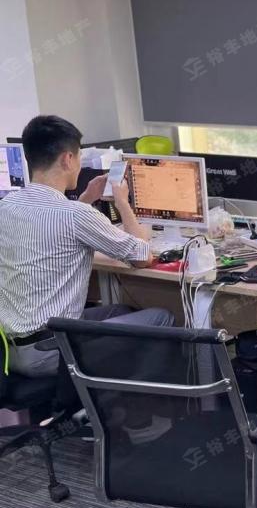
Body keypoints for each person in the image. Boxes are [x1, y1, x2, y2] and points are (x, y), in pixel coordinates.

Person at [0, 115, 174, 377]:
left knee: (121, 311)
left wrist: (85, 199)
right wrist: (122, 202)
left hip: (12, 349)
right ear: (68, 159)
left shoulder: (7, 206)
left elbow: (55, 229)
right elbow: (142, 256)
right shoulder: (76, 216)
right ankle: (131, 402)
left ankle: (101, 394)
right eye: (79, 156)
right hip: (49, 350)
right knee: (160, 317)